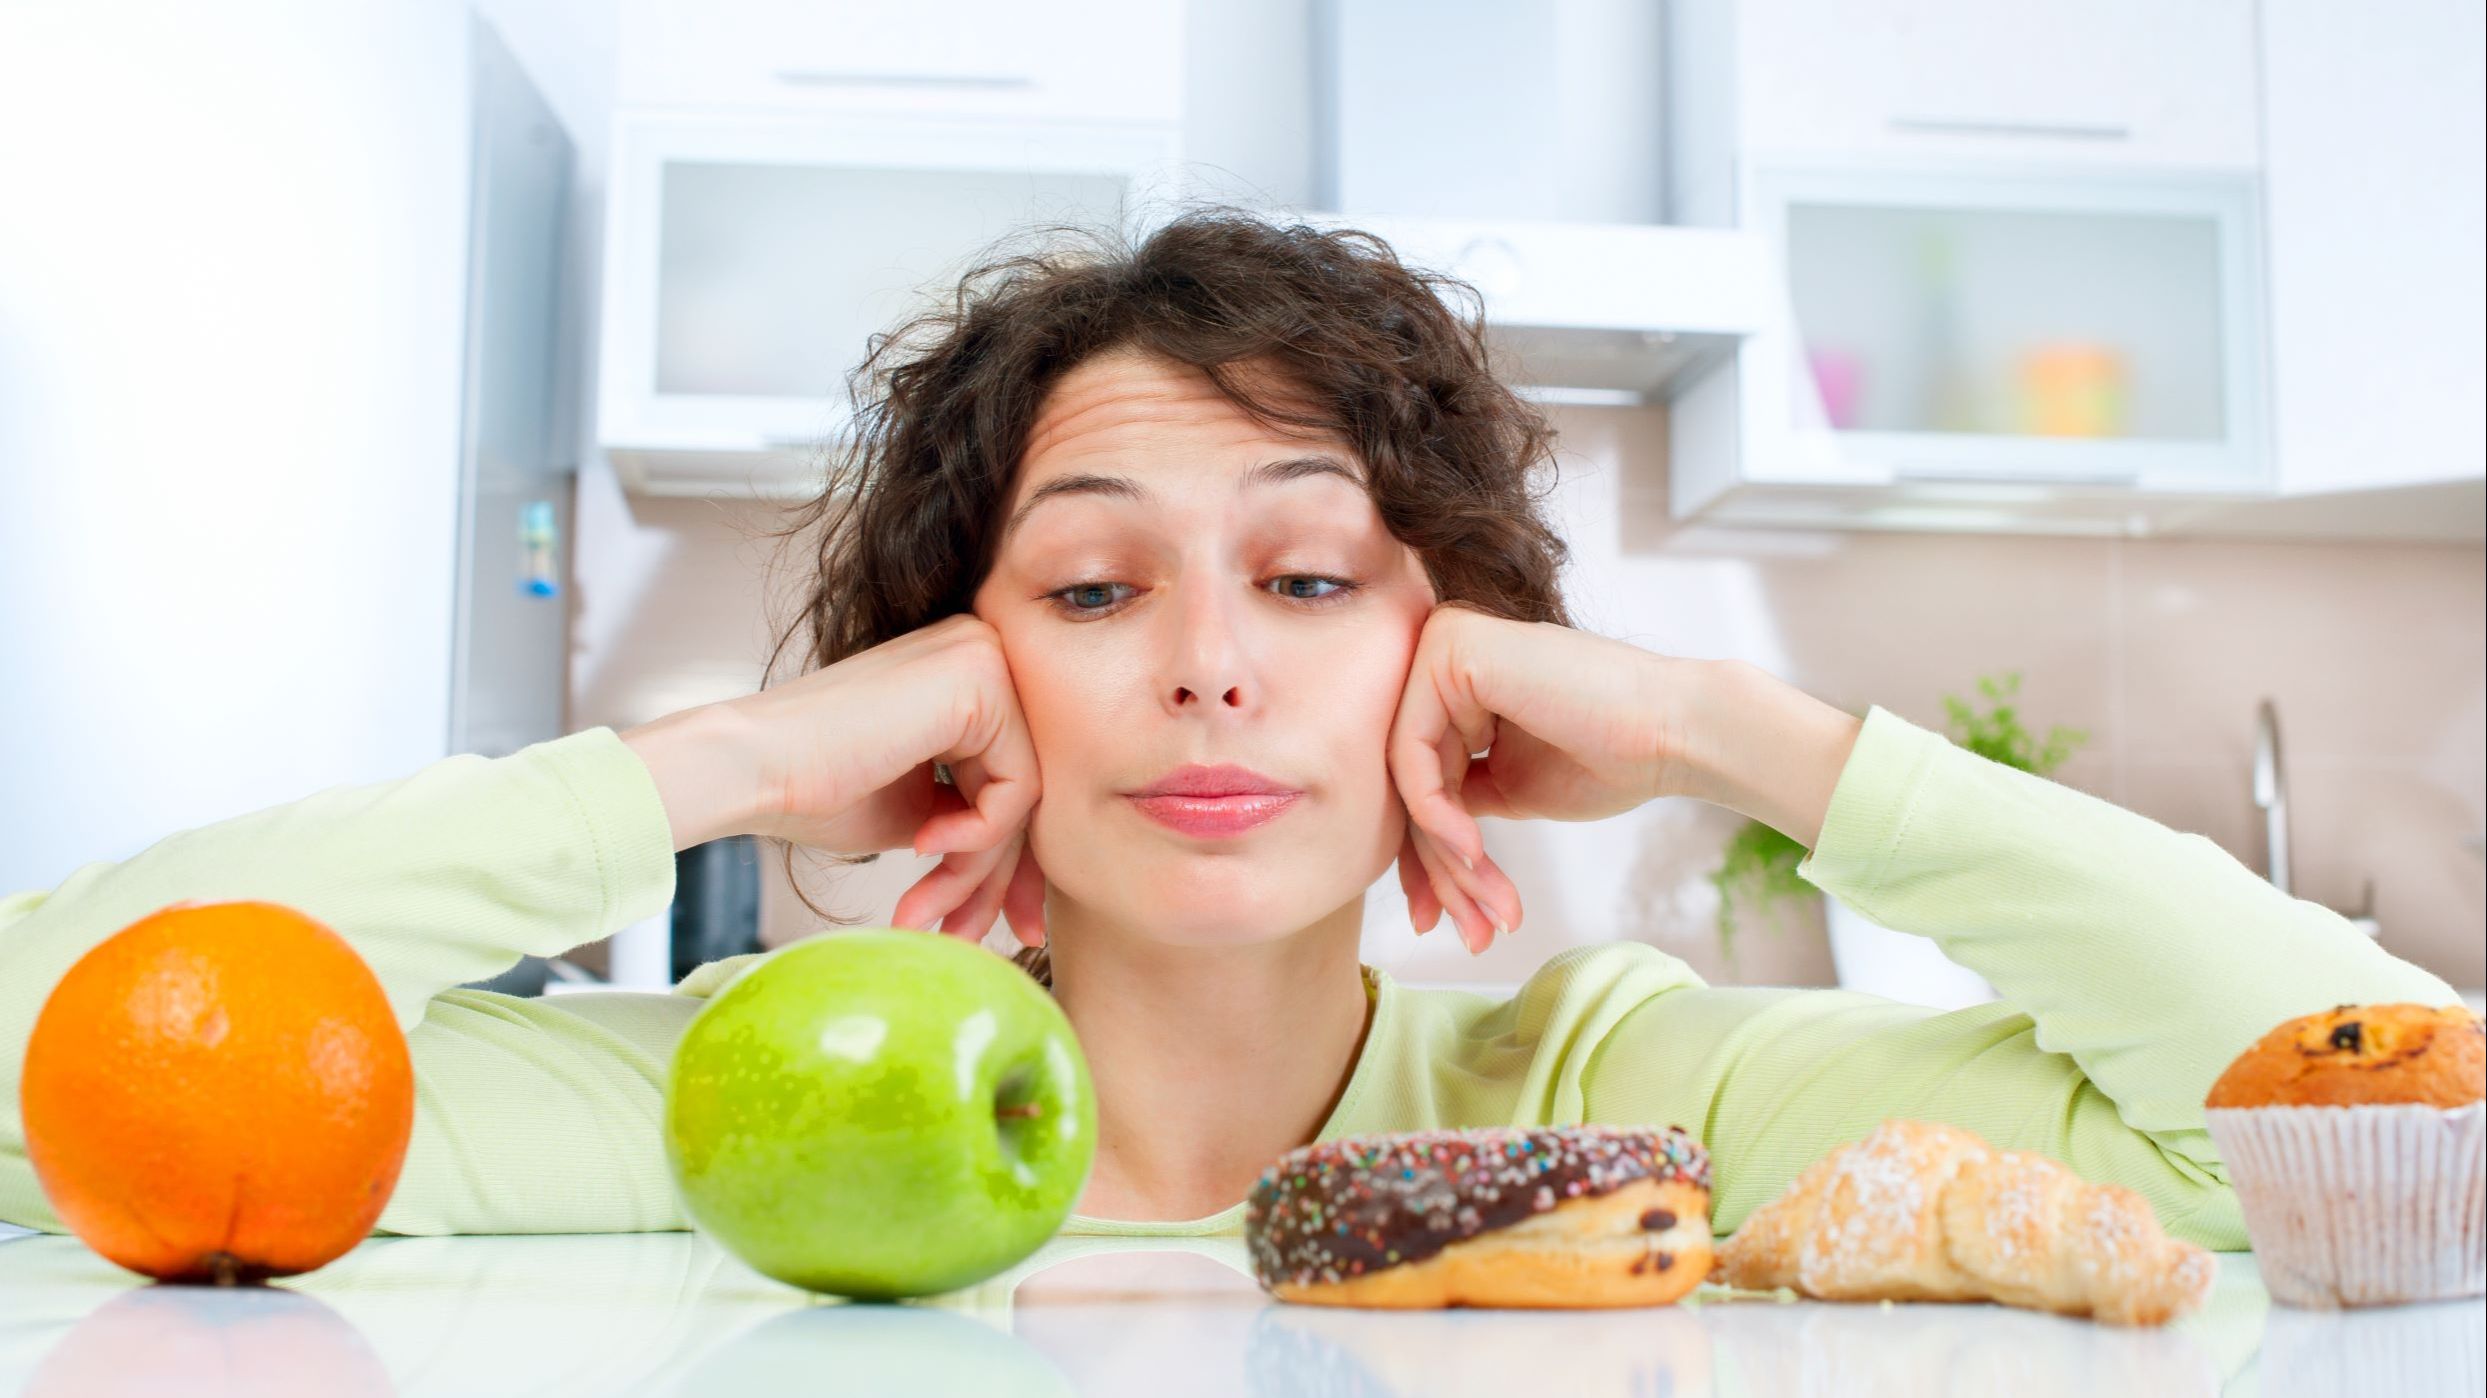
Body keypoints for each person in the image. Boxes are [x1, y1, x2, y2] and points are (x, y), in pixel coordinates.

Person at [0, 212, 2454, 1244]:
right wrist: (717, 766)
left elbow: (2386, 1139)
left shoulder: (1624, 1101)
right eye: (1087, 591)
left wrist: (1730, 729)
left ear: (1452, 678)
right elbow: (52, 1083)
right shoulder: (741, 1114)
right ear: (951, 688)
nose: (1203, 664)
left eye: (1307, 581)